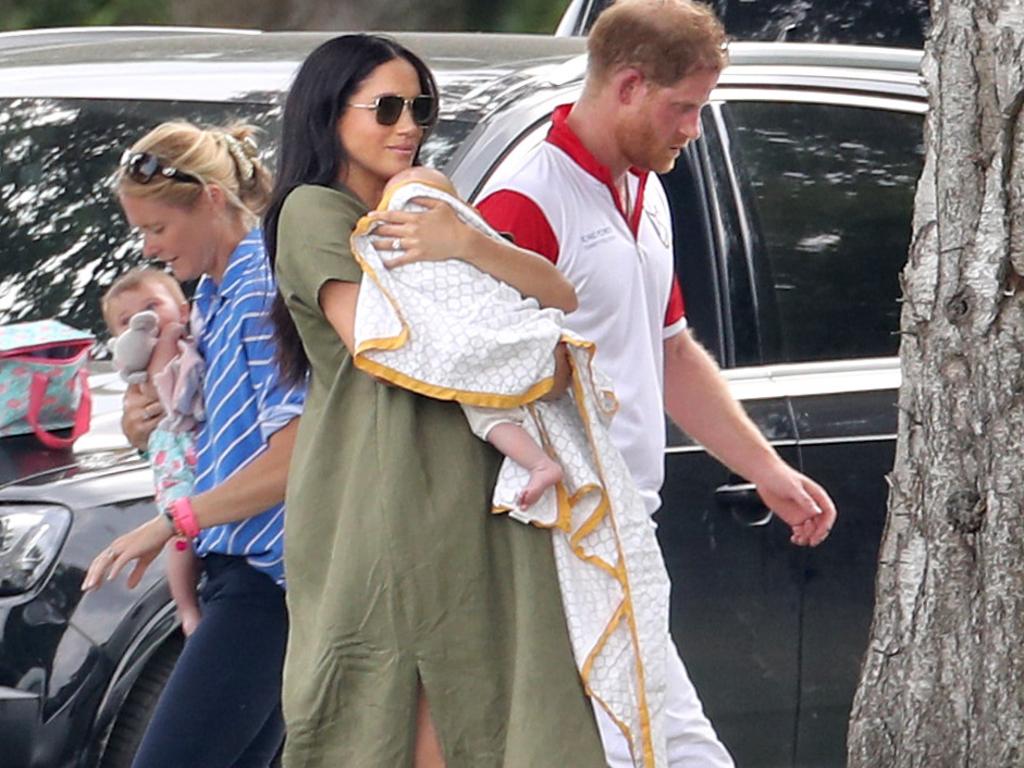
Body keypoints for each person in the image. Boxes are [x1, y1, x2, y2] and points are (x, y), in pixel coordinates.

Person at [477, 1, 839, 766]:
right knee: (665, 749)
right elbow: (471, 377)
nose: (693, 131)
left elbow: (670, 352)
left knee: (669, 746)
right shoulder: (523, 202)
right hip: (558, 540)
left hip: (628, 527)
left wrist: (764, 468)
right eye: (685, 109)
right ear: (629, 85)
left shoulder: (647, 188)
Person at [263, 34, 606, 767]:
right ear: (328, 113)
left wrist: (467, 243)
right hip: (383, 497)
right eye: (386, 107)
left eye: (421, 107)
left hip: (477, 489)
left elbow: (560, 294)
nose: (408, 125)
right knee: (399, 710)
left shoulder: (427, 202)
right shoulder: (311, 212)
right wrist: (527, 355)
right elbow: (385, 342)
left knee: (493, 701)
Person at [82, 121, 305, 768]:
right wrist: (144, 424)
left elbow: (294, 457)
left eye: (158, 229)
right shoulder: (211, 294)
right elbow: (213, 428)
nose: (150, 250)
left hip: (269, 581)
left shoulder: (263, 289)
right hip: (238, 574)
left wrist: (171, 522)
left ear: (211, 198)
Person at [368, 165, 563, 509]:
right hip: (474, 345)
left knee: (487, 411)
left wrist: (466, 241)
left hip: (487, 327)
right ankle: (540, 463)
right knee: (486, 412)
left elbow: (563, 296)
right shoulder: (381, 237)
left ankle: (540, 463)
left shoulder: (470, 241)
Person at [101, 267, 204, 637]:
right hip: (174, 461)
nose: (143, 321)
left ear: (184, 307)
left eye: (152, 307)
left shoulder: (204, 339)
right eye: (127, 321)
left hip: (210, 464)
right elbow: (155, 389)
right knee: (178, 535)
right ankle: (187, 608)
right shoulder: (137, 367)